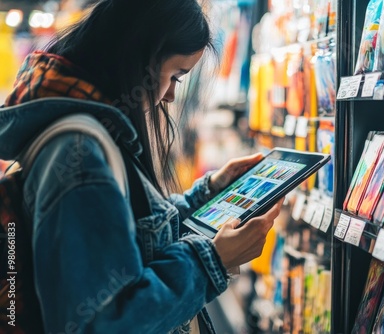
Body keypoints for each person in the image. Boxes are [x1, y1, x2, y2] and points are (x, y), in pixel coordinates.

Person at [0, 0, 283, 333]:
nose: (171, 97)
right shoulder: (81, 153)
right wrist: (211, 263)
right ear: (140, 57)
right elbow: (101, 324)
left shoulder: (86, 134)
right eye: (176, 76)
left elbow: (128, 230)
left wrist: (206, 195)